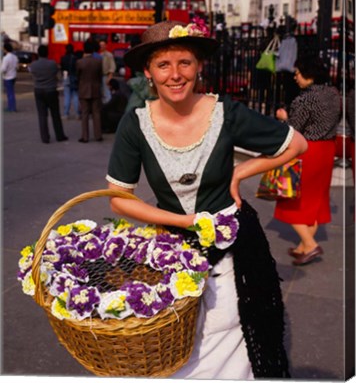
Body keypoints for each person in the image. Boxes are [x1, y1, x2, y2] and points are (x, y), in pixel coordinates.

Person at [105, 20, 307, 379]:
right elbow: (119, 199)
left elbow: (297, 144)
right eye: (163, 65)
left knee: (235, 327)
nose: (175, 74)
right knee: (174, 340)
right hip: (170, 249)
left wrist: (240, 172)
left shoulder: (225, 112)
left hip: (235, 250)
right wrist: (184, 223)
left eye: (184, 62)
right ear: (149, 73)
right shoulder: (134, 124)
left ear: (199, 67)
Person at [275, 56, 341, 265]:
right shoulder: (333, 94)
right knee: (314, 200)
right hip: (327, 149)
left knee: (290, 200)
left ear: (308, 75)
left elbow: (294, 129)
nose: (295, 77)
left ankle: (310, 245)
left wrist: (284, 117)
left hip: (307, 151)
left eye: (298, 73)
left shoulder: (304, 99)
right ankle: (304, 246)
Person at [29, 45, 68, 144]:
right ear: (47, 53)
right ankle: (59, 135)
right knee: (55, 114)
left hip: (38, 90)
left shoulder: (33, 65)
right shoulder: (52, 64)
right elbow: (56, 74)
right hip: (51, 90)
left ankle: (45, 137)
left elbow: (32, 75)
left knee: (42, 115)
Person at [76, 41, 103, 143]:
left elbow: (78, 76)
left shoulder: (79, 62)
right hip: (96, 88)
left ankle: (85, 136)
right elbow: (100, 76)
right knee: (96, 113)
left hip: (83, 89)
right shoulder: (98, 62)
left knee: (85, 114)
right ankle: (98, 135)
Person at [60, 43, 80, 120]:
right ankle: (77, 113)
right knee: (75, 96)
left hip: (66, 77)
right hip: (74, 78)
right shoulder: (76, 58)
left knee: (67, 96)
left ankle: (66, 113)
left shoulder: (63, 58)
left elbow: (62, 68)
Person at [1, 42, 19, 112]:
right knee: (11, 92)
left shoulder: (6, 58)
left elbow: (3, 69)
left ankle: (11, 107)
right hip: (13, 76)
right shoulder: (15, 57)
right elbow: (17, 67)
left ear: (5, 49)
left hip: (7, 77)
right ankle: (12, 106)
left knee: (9, 93)